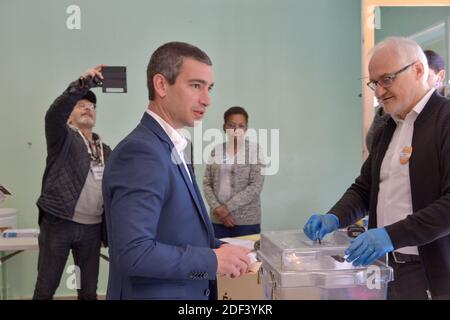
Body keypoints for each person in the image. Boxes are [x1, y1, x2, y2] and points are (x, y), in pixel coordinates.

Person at [303, 37, 450, 300]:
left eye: (387, 79)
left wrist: (390, 235)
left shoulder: (445, 120)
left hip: (432, 272)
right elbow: (365, 187)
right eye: (374, 83)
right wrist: (335, 217)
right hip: (384, 268)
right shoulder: (388, 127)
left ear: (418, 70)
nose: (379, 91)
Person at [102, 42, 251, 300]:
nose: (207, 99)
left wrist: (221, 251)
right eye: (196, 86)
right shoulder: (140, 151)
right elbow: (134, 253)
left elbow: (174, 232)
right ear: (161, 85)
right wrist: (211, 261)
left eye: (209, 88)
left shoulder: (179, 145)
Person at [34, 65, 111, 300]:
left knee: (88, 291)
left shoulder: (106, 150)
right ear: (70, 114)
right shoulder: (62, 138)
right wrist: (82, 85)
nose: (87, 109)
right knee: (46, 287)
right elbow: (53, 114)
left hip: (92, 228)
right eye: (81, 106)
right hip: (60, 222)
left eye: (91, 107)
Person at [366, 49, 450, 151]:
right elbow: (372, 146)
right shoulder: (405, 103)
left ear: (440, 76)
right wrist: (387, 108)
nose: (420, 82)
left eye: (427, 76)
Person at [203, 106, 265, 238]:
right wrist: (218, 209)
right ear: (224, 127)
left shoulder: (255, 150)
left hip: (246, 222)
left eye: (241, 125)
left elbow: (255, 186)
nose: (236, 130)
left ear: (246, 128)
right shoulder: (216, 150)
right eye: (231, 125)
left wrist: (227, 209)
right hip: (217, 221)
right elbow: (207, 183)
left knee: (247, 257)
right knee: (218, 257)